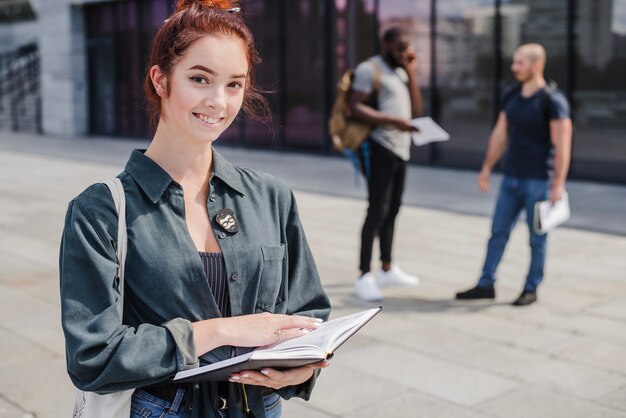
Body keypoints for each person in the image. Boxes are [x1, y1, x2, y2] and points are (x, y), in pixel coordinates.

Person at [59, 1, 331, 417]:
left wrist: (299, 369)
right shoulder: (100, 211)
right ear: (161, 79)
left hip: (260, 407)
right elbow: (92, 356)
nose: (218, 102)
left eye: (234, 84)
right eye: (200, 78)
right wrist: (218, 331)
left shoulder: (271, 196)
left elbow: (308, 311)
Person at [455, 43, 572, 306]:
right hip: (511, 178)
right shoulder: (512, 95)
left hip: (539, 182)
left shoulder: (553, 101)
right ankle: (486, 284)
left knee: (537, 239)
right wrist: (486, 167)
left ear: (536, 65)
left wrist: (557, 185)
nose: (514, 67)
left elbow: (563, 146)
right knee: (497, 232)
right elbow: (500, 134)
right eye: (514, 62)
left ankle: (531, 288)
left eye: (520, 63)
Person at [348, 27, 424, 302]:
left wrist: (412, 71)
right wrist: (394, 122)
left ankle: (387, 268)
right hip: (379, 147)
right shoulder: (370, 69)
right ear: (386, 45)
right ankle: (364, 275)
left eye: (407, 48)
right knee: (376, 210)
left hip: (401, 150)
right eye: (399, 48)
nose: (404, 53)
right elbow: (354, 107)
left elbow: (416, 108)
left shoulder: (402, 71)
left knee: (393, 209)